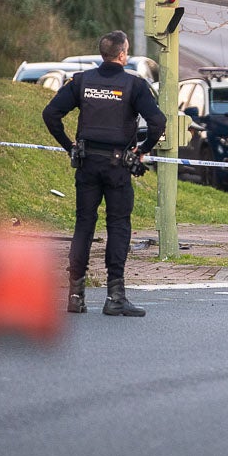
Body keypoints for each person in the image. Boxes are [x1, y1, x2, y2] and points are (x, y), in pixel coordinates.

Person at [43, 30, 165, 317]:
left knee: (84, 225)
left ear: (102, 55)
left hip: (87, 164)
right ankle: (115, 296)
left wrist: (68, 146)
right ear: (122, 54)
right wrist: (142, 149)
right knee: (119, 226)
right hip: (118, 166)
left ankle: (75, 296)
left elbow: (51, 114)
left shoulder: (82, 81)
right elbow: (158, 122)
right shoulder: (134, 85)